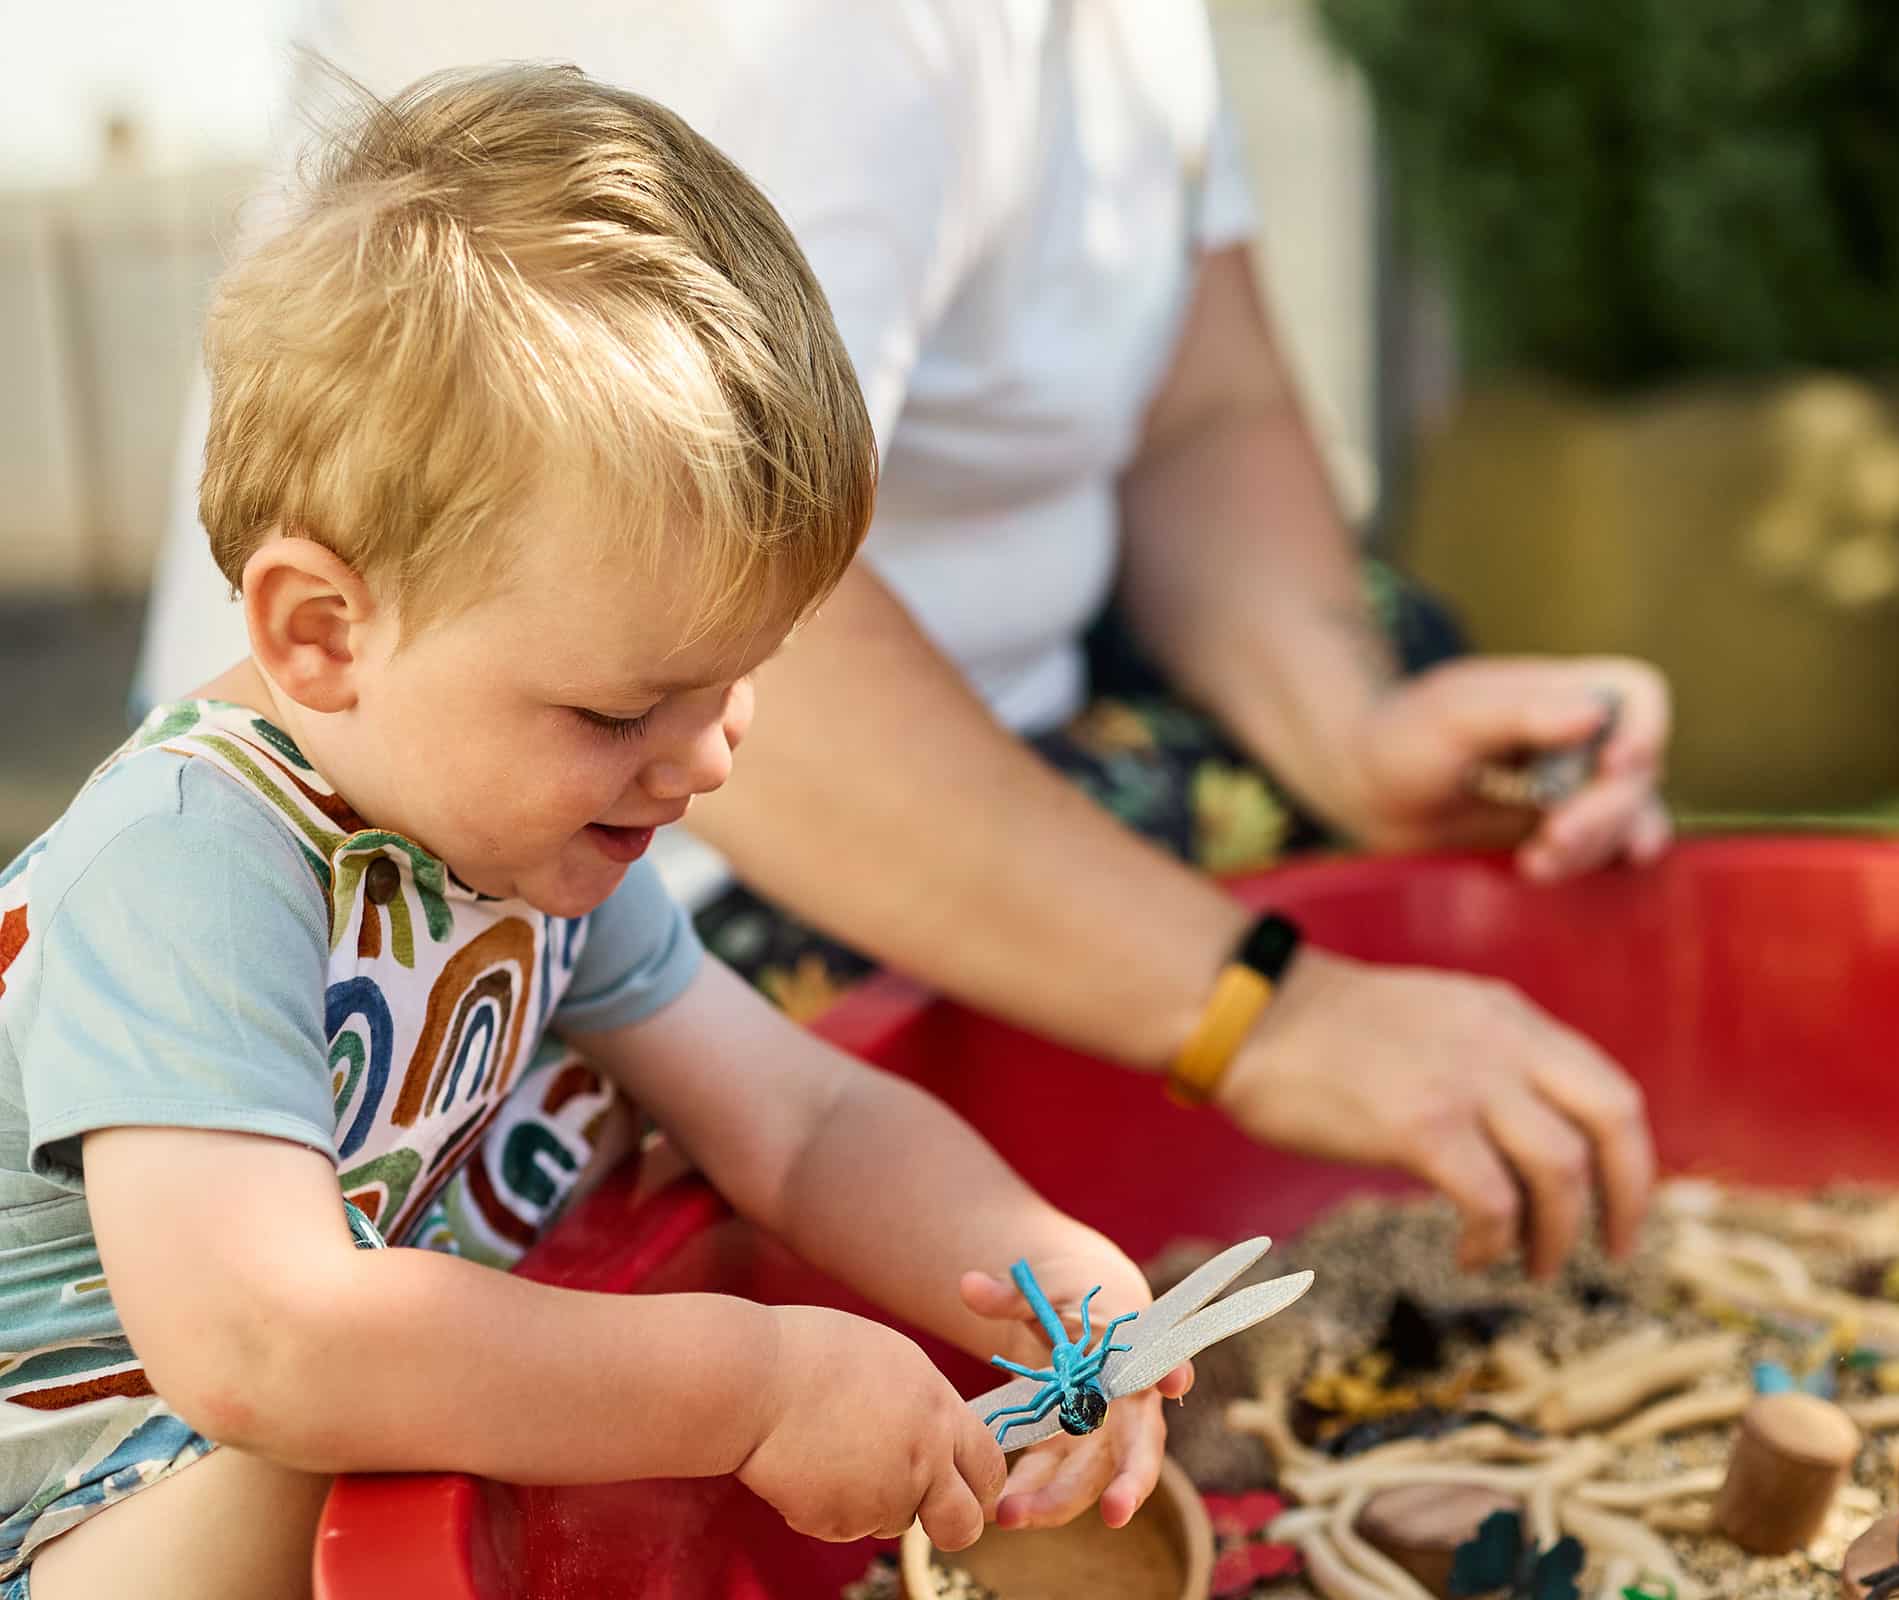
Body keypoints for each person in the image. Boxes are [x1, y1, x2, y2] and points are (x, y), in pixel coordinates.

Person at [136, 0, 1675, 1287]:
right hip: (660, 828)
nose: (717, 732)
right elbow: (756, 702)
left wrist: (1352, 723)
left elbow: (1203, 411)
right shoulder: (793, 38)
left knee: (1404, 659)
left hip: (713, 739)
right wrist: (1269, 1007)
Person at [4, 63, 1186, 1600]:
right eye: (623, 712)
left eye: (740, 676)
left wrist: (1039, 1269)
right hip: (75, 1514)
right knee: (382, 1391)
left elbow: (802, 1123)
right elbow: (261, 1347)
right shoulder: (188, 865)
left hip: (259, 1439)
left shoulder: (514, 838)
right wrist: (747, 1387)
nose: (704, 760)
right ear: (320, 634)